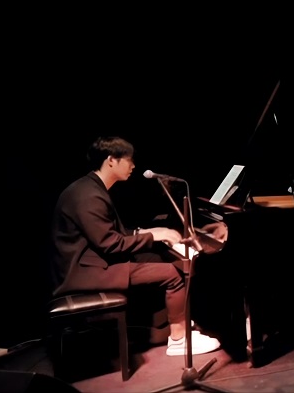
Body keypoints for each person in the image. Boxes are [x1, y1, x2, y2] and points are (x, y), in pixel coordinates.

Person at [49, 136, 221, 357]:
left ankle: (169, 323)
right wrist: (154, 235)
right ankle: (179, 340)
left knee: (156, 258)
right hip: (82, 272)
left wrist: (147, 232)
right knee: (173, 274)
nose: (133, 166)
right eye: (129, 160)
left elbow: (111, 233)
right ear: (111, 160)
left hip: (91, 263)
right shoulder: (89, 195)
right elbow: (110, 244)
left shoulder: (91, 187)